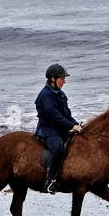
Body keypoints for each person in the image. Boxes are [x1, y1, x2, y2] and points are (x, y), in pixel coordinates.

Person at [35, 63, 82, 192]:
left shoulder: (60, 94)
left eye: (64, 79)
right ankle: (49, 182)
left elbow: (66, 115)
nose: (64, 81)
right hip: (48, 130)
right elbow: (54, 116)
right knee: (58, 149)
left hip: (60, 128)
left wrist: (77, 125)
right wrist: (71, 125)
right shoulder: (45, 95)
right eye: (62, 79)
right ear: (52, 79)